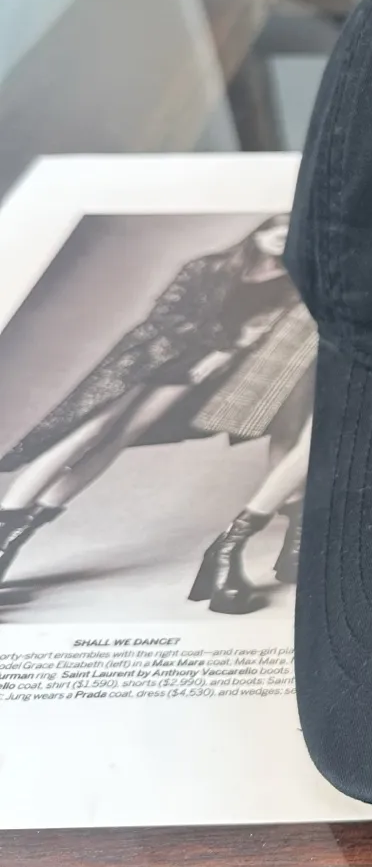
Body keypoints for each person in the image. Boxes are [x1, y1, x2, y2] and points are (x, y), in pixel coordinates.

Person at [0, 216, 316, 613]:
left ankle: (18, 537)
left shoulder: (288, 284)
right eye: (274, 232)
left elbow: (258, 334)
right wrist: (224, 345)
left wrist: (226, 352)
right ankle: (6, 526)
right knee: (87, 434)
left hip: (194, 368)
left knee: (119, 440)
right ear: (258, 233)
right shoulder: (210, 266)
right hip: (149, 356)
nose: (280, 240)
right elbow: (165, 317)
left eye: (289, 235)